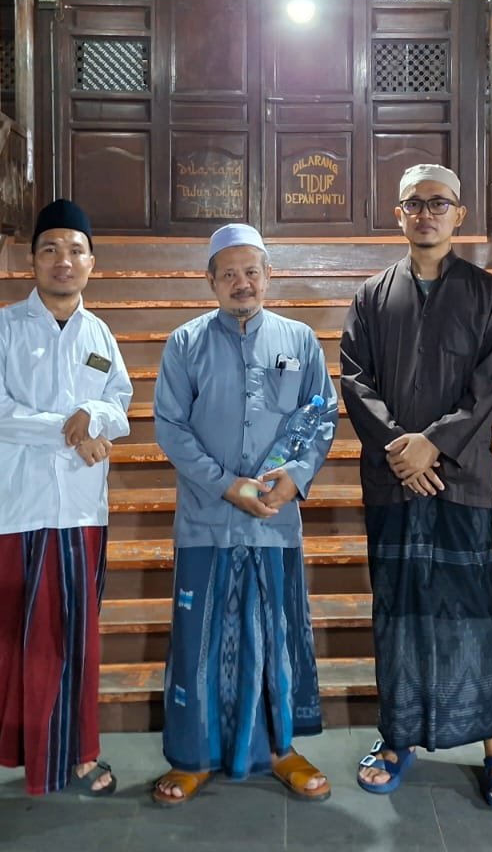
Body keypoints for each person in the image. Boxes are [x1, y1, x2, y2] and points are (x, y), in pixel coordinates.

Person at [340, 164, 492, 810]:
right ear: (398, 214)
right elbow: (355, 380)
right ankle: (397, 739)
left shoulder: (488, 294)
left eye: (438, 203)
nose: (426, 213)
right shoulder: (371, 296)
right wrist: (400, 447)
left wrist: (434, 445)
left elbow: (491, 385)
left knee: (472, 613)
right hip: (393, 478)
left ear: (459, 214)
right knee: (397, 611)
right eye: (414, 204)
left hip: (459, 478)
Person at [0, 199, 133, 839]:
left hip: (80, 512)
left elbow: (119, 405)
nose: (64, 260)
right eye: (51, 248)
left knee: (76, 639)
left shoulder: (99, 335)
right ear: (32, 260)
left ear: (92, 263)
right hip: (12, 514)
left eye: (76, 249)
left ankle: (78, 752)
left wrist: (95, 418)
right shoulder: (2, 328)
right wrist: (69, 427)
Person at [149, 223, 337, 807]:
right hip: (207, 518)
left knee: (275, 637)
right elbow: (170, 428)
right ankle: (193, 757)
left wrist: (295, 476)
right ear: (210, 281)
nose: (241, 283)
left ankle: (281, 750)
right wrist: (226, 485)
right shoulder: (185, 343)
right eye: (228, 274)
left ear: (268, 275)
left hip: (275, 520)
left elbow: (321, 415)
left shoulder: (299, 340)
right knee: (200, 640)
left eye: (251, 271)